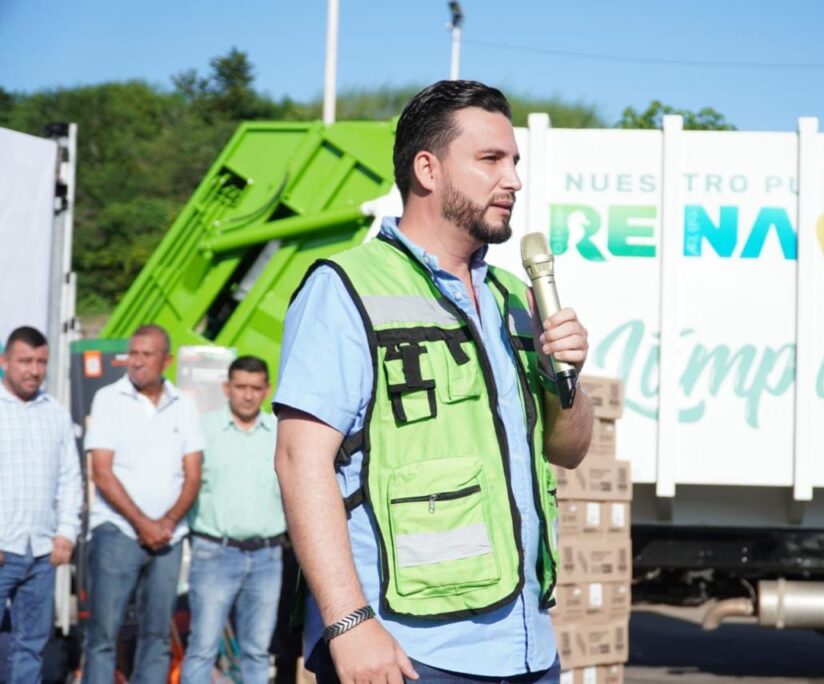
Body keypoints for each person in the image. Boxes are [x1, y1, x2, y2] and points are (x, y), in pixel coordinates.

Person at [274, 80, 594, 684]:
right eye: (491, 160)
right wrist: (348, 623)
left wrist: (566, 377)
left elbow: (569, 450)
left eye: (516, 162)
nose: (514, 181)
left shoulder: (513, 300)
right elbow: (298, 461)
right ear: (428, 168)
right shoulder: (344, 287)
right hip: (407, 654)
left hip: (527, 649)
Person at [83, 324, 203, 684]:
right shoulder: (108, 398)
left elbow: (193, 474)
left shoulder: (184, 404)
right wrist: (143, 523)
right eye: (132, 353)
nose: (136, 362)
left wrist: (166, 522)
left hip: (169, 537)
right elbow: (101, 473)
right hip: (117, 533)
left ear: (166, 360)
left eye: (145, 354)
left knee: (157, 636)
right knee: (103, 636)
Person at [182, 355, 284, 683]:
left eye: (256, 388)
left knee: (257, 651)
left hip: (268, 556)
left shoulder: (279, 434)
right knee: (203, 647)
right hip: (215, 552)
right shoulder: (203, 430)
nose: (248, 395)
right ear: (227, 388)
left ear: (267, 390)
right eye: (241, 387)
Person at [0, 326, 82, 683]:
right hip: (3, 546)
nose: (33, 370)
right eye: (24, 361)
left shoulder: (56, 413)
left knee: (30, 645)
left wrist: (65, 533)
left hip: (41, 553)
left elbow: (70, 478)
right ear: (4, 362)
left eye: (41, 362)